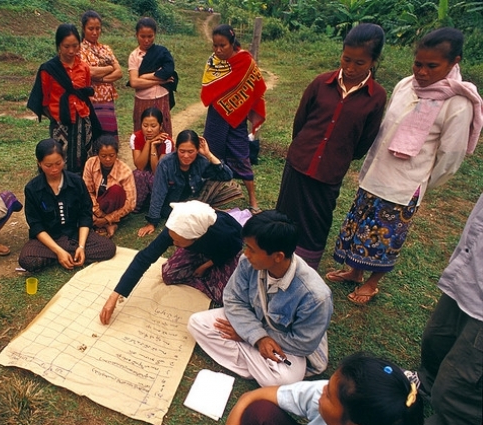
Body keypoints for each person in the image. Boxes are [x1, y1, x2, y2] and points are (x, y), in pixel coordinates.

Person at [327, 27, 482, 304]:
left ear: (454, 62)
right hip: (376, 173)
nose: (422, 72)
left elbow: (450, 156)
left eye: (432, 66)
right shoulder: (406, 85)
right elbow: (386, 128)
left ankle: (372, 282)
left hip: (404, 186)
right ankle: (355, 272)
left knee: (385, 238)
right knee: (361, 226)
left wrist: (420, 182)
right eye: (418, 64)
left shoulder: (457, 103)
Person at [275, 23, 387, 270]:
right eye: (346, 59)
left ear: (373, 62)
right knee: (284, 216)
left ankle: (304, 269)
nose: (350, 68)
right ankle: (276, 261)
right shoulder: (320, 83)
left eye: (360, 63)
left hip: (330, 171)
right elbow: (301, 121)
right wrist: (304, 149)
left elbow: (365, 140)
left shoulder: (376, 97)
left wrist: (338, 155)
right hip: (300, 162)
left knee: (317, 222)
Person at [188, 210, 333, 387]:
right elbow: (233, 298)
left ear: (278, 256)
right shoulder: (247, 262)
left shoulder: (316, 296)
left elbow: (303, 343)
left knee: (285, 379)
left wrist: (249, 336)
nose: (246, 254)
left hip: (286, 344)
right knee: (197, 323)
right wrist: (255, 337)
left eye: (252, 249)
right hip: (251, 323)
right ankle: (260, 367)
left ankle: (256, 364)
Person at [100, 200, 243, 324]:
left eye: (178, 242)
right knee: (169, 274)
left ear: (196, 237)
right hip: (198, 249)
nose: (173, 243)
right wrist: (116, 295)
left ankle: (210, 271)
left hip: (224, 252)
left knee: (225, 296)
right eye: (172, 240)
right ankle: (205, 270)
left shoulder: (225, 233)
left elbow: (232, 249)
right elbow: (144, 258)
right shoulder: (176, 227)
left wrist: (207, 265)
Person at [415, 193, 482, 425]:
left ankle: (451, 422)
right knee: (437, 339)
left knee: (461, 383)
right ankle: (425, 384)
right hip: (470, 273)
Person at [225, 352, 424, 425]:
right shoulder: (332, 393)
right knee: (261, 412)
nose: (322, 391)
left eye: (328, 395)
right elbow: (250, 397)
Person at [18, 138, 116, 272]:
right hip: (49, 239)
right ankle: (64, 255)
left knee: (109, 249)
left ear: (63, 160)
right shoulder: (32, 188)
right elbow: (36, 225)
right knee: (27, 260)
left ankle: (69, 254)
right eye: (48, 165)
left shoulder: (76, 182)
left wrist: (81, 247)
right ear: (39, 163)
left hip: (75, 235)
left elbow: (85, 215)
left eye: (58, 163)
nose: (54, 169)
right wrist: (58, 251)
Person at [201, 24, 267, 213]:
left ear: (232, 43)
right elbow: (209, 87)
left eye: (222, 45)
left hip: (237, 118)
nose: (218, 50)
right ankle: (211, 196)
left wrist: (237, 104)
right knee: (211, 154)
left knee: (241, 156)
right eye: (215, 45)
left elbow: (255, 85)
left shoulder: (245, 60)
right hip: (216, 116)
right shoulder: (213, 62)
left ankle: (253, 200)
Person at [137, 129, 243, 237]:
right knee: (191, 217)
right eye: (182, 151)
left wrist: (208, 154)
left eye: (191, 151)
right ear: (176, 149)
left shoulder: (202, 160)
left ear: (197, 150)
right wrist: (152, 222)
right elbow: (158, 193)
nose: (186, 156)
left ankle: (206, 210)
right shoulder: (166, 164)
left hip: (195, 197)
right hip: (172, 205)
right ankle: (206, 211)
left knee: (230, 186)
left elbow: (226, 175)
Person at [27, 23, 101, 173]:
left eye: (75, 46)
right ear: (58, 45)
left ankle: (82, 188)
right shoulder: (49, 69)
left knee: (84, 157)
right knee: (58, 158)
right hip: (60, 123)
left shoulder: (84, 68)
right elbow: (45, 100)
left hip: (83, 120)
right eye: (66, 46)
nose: (71, 50)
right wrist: (57, 117)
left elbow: (84, 94)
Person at [128, 16, 178, 137]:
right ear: (136, 35)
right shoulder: (134, 56)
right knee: (143, 135)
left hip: (161, 99)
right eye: (142, 36)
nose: (146, 40)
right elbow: (134, 82)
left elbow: (168, 71)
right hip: (142, 101)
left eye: (150, 36)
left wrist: (144, 76)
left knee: (163, 134)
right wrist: (159, 81)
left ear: (155, 34)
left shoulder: (162, 52)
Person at [82, 135, 136, 238]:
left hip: (116, 208)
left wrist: (107, 219)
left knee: (116, 190)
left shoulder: (125, 171)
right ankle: (107, 225)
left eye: (112, 155)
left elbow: (130, 204)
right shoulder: (90, 163)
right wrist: (97, 212)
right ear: (97, 154)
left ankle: (104, 224)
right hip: (96, 205)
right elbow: (87, 191)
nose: (108, 159)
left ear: (116, 154)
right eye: (103, 156)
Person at [80, 10, 123, 140]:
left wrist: (101, 78)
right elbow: (88, 72)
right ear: (83, 28)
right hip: (91, 101)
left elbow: (119, 72)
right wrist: (109, 67)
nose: (95, 32)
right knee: (94, 137)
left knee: (109, 139)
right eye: (91, 28)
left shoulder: (106, 49)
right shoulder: (79, 49)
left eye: (98, 28)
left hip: (107, 100)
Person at [130, 107, 174, 212]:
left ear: (161, 126)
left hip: (164, 176)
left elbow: (157, 172)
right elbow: (140, 166)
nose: (149, 130)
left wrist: (153, 146)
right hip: (145, 171)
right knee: (136, 174)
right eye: (145, 126)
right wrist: (148, 143)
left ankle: (157, 204)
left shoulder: (167, 142)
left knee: (155, 179)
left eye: (153, 126)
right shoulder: (135, 137)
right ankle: (138, 205)